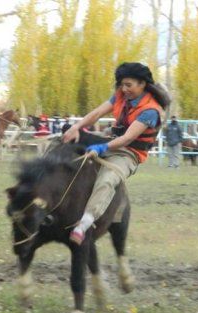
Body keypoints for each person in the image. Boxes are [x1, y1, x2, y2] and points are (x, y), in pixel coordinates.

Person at [63, 62, 171, 245]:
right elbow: (97, 113)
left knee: (107, 179)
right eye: (122, 84)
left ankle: (84, 224)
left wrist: (100, 149)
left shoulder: (150, 111)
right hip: (109, 141)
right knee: (67, 134)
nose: (124, 89)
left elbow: (128, 139)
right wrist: (76, 127)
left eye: (128, 85)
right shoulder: (120, 95)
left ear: (142, 84)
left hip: (128, 153)